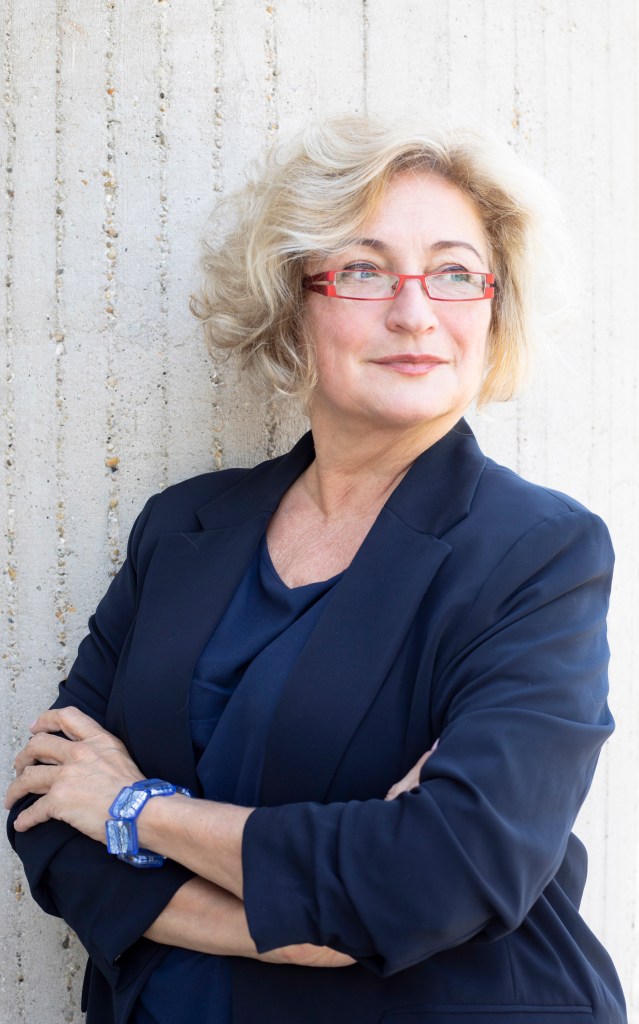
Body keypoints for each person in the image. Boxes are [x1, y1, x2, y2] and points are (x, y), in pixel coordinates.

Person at [5, 115, 627, 1024]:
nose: (414, 313)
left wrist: (135, 812)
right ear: (292, 301)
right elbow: (47, 807)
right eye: (365, 271)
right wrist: (316, 921)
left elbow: (442, 875)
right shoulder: (182, 526)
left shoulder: (537, 553)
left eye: (455, 272)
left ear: (494, 308)